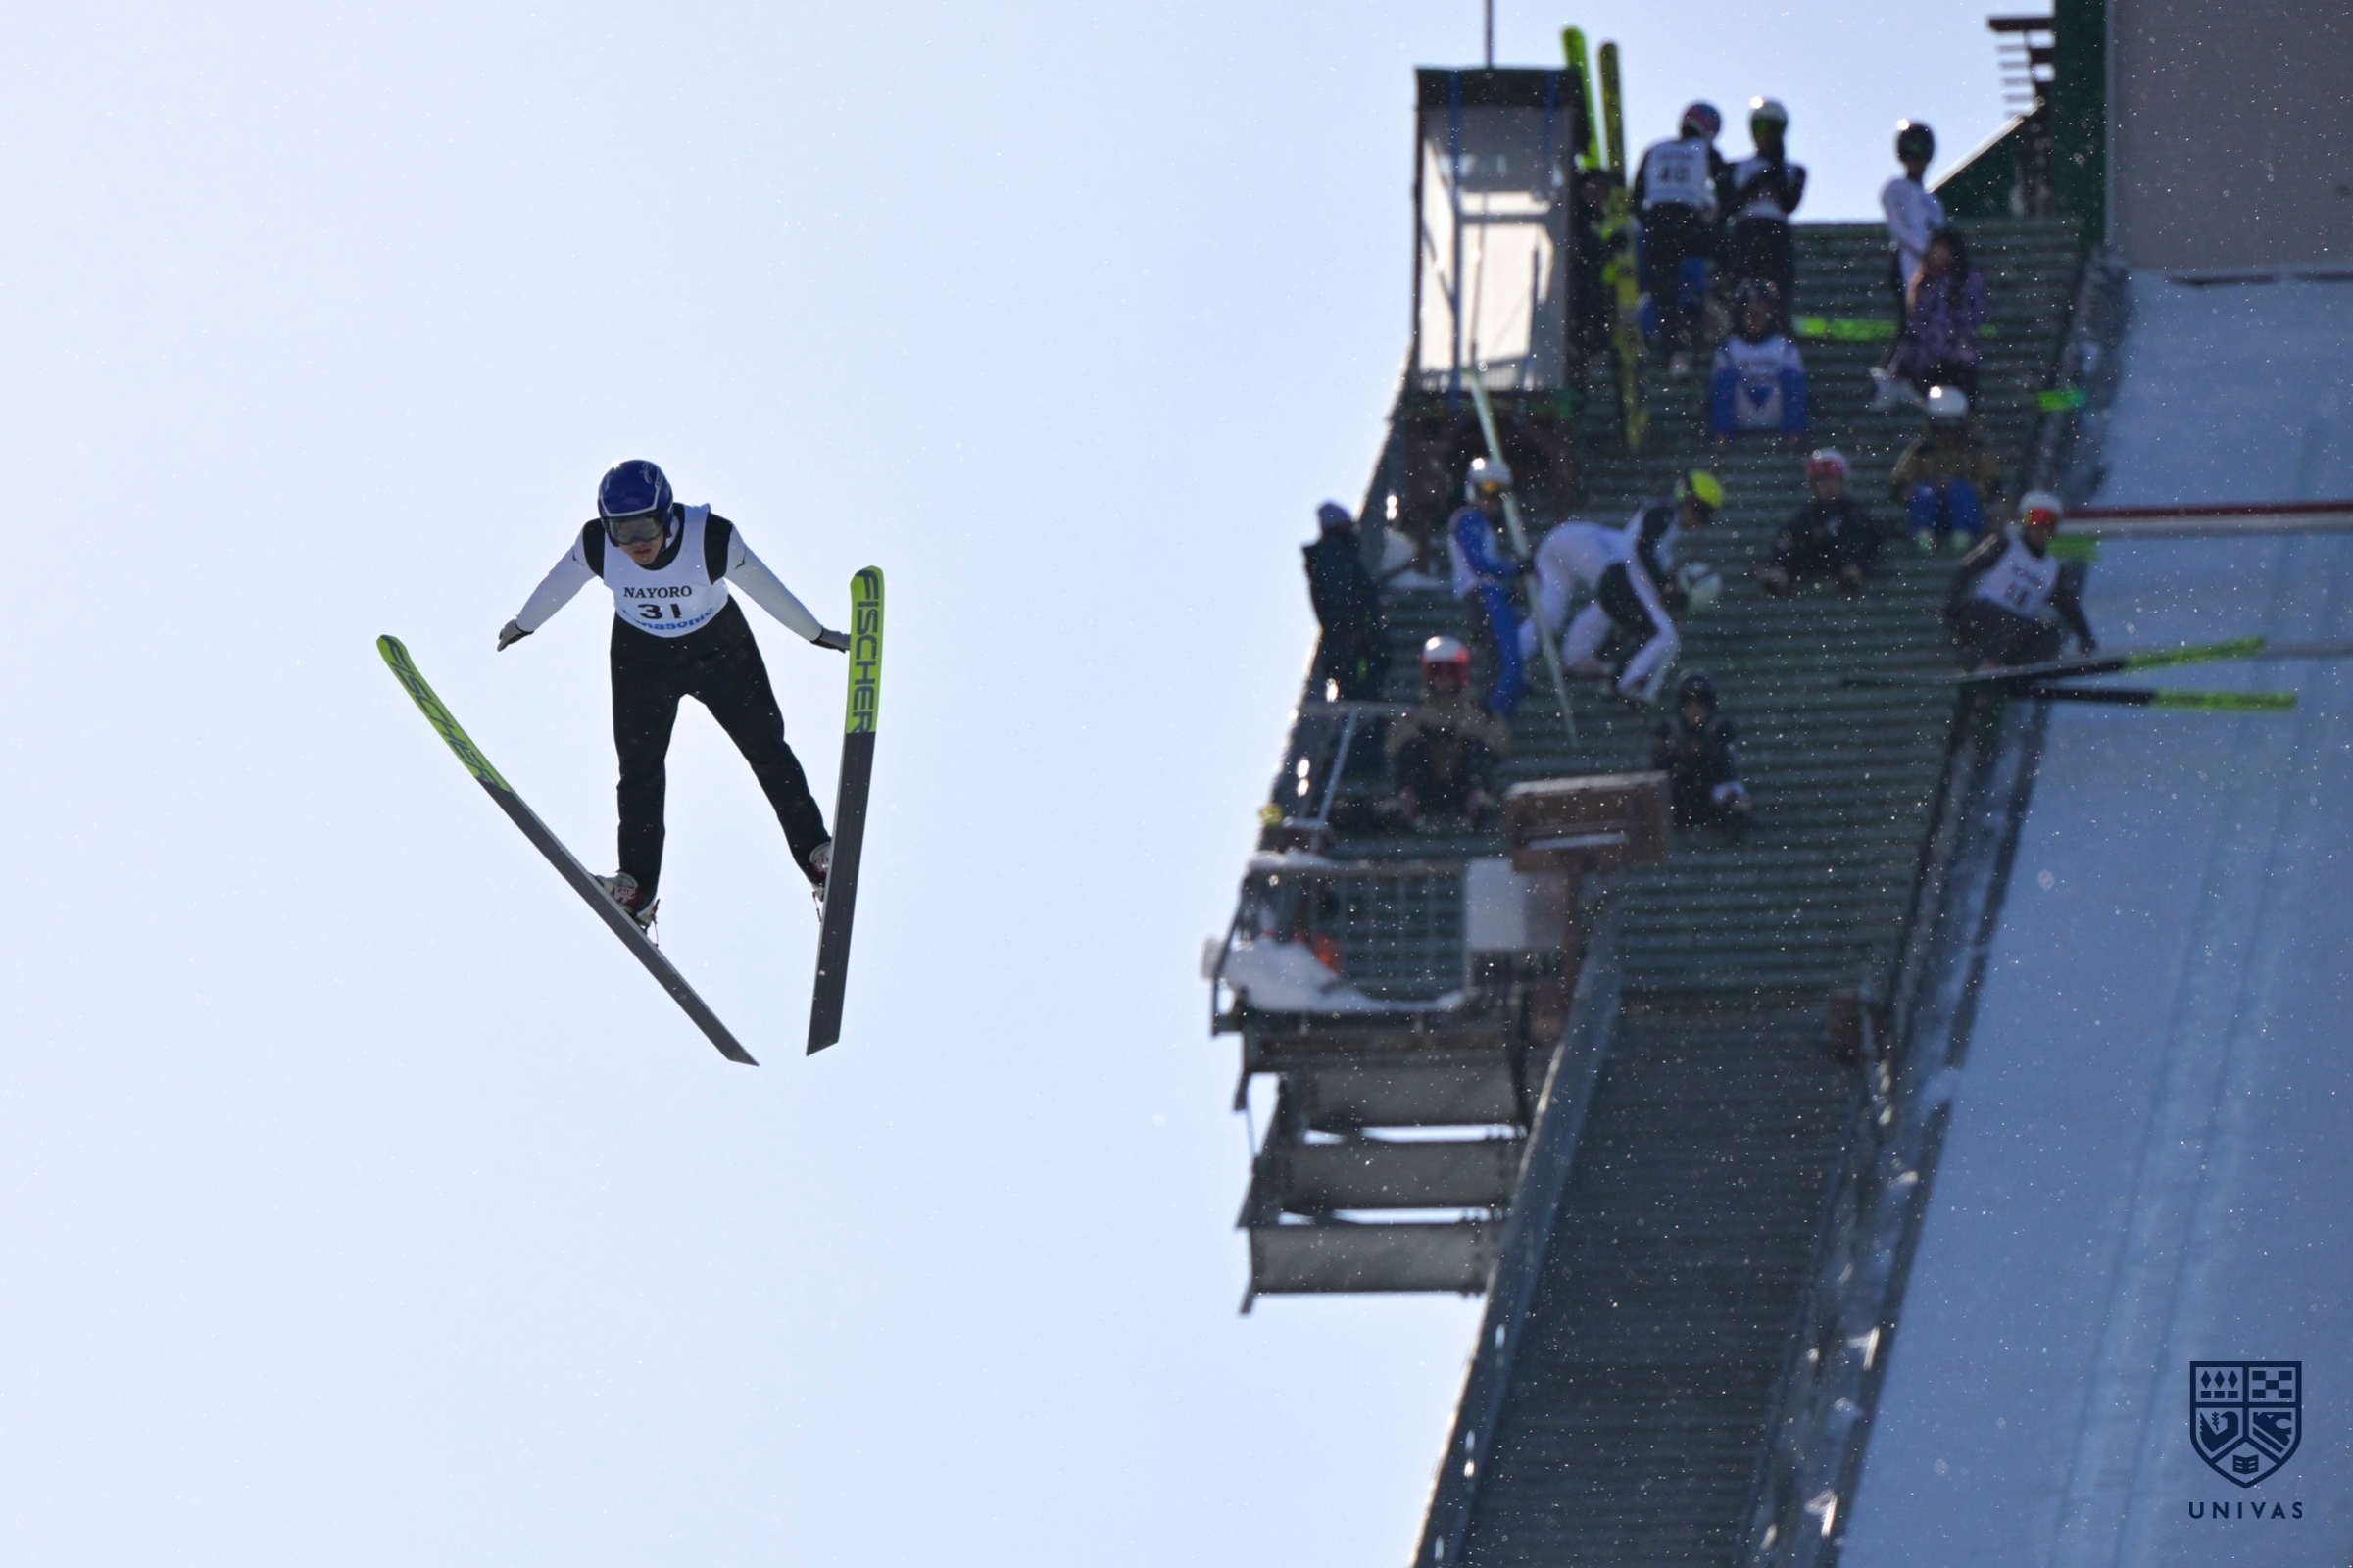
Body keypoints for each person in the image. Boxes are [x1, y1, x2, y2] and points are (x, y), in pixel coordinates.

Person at [497, 460, 850, 927]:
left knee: (766, 748)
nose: (635, 542)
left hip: (721, 650)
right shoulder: (597, 545)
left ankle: (817, 856)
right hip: (641, 659)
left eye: (645, 525)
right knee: (639, 771)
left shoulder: (712, 538)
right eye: (622, 530)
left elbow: (769, 591)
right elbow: (558, 584)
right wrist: (525, 624)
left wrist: (816, 634)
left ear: (666, 514)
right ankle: (636, 890)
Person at [1560, 470, 1725, 706]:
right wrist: (1663, 585)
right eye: (1700, 510)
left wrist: (1667, 583)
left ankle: (1605, 670)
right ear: (1684, 498)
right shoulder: (1665, 513)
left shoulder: (1668, 522)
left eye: (1707, 515)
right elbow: (1643, 549)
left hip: (1622, 579)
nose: (1700, 520)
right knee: (1664, 636)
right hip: (1626, 578)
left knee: (1653, 634)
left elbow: (1650, 553)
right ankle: (1624, 682)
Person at [1944, 491, 2096, 668]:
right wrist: (1951, 608)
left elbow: (2068, 606)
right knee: (2012, 625)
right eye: (2034, 520)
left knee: (2050, 633)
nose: (2040, 529)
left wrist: (2086, 637)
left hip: (2016, 631)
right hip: (1982, 616)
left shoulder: (2052, 569)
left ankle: (2013, 670)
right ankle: (1983, 663)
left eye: (2047, 523)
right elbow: (1965, 570)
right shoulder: (2005, 545)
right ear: (2025, 523)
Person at [1634, 101, 1730, 378]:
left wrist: (1650, 225)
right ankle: (1719, 292)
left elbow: (1636, 197)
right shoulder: (1705, 150)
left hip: (1657, 222)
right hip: (1688, 219)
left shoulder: (1654, 150)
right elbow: (1726, 190)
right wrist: (1715, 222)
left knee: (1664, 292)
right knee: (1728, 249)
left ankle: (1674, 353)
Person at [1386, 637, 1512, 827]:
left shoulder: (1480, 712)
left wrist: (1468, 735)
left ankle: (1477, 799)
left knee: (1475, 746)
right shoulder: (1413, 713)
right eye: (1437, 670)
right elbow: (1392, 749)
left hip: (1462, 783)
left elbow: (1503, 747)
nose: (1443, 678)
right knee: (1410, 748)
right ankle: (1407, 800)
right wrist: (1422, 735)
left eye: (1450, 671)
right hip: (1426, 784)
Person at [1446, 457, 1529, 717]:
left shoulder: (1478, 521)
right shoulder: (1468, 519)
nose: (1492, 500)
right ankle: (1489, 719)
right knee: (1508, 669)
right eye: (1487, 491)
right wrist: (1516, 569)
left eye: (1499, 493)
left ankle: (1495, 718)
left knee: (1505, 667)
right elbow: (1479, 564)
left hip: (1488, 595)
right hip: (1483, 597)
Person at [1891, 387, 2004, 553]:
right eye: (1941, 427)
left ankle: (1962, 536)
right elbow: (1901, 481)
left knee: (1961, 491)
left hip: (1968, 510)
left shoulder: (1975, 450)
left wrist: (1964, 488)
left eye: (1951, 427)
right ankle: (1924, 536)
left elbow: (1991, 482)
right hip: (1932, 511)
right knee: (1924, 492)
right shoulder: (1921, 450)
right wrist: (1929, 489)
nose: (1946, 433)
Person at [1723, 98, 1806, 322]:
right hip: (1746, 231)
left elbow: (1788, 205)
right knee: (1741, 289)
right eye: (1761, 127)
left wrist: (1776, 168)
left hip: (1776, 232)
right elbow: (1730, 205)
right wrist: (1764, 176)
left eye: (1773, 129)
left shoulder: (1794, 170)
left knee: (1780, 292)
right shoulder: (1736, 168)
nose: (1767, 135)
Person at [1302, 501, 1391, 701]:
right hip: (1354, 642)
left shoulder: (1334, 555)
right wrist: (1353, 628)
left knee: (1358, 686)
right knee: (1361, 688)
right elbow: (1340, 595)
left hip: (1350, 639)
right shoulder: (1334, 554)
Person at [1888, 228, 1988, 403]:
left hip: (1958, 361)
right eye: (1935, 248)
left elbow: (1975, 315)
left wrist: (1955, 339)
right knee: (1935, 409)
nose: (1937, 253)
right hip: (1930, 363)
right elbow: (1916, 327)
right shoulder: (1924, 282)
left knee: (1959, 408)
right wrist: (1902, 363)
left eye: (1942, 248)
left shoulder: (1968, 279)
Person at [1758, 449, 1878, 594]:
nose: (1827, 485)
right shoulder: (1808, 516)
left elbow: (1866, 540)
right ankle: (1780, 575)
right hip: (1813, 559)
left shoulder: (1855, 514)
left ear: (1842, 480)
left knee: (1857, 536)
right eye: (1820, 481)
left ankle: (1852, 573)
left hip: (1841, 556)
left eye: (1832, 479)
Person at [1651, 672, 1750, 838]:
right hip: (1680, 794)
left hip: (1711, 791)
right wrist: (1678, 753)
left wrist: (1704, 751)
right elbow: (1658, 764)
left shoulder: (1720, 729)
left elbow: (1726, 767)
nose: (1694, 710)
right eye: (1689, 705)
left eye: (1700, 704)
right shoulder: (1669, 730)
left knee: (1734, 797)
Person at [1707, 278, 1808, 442]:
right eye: (1749, 312)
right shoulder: (1728, 348)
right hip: (1740, 412)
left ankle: (1793, 437)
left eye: (1761, 311)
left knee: (1791, 376)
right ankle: (1721, 439)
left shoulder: (1784, 346)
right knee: (1725, 376)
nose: (1755, 317)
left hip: (1775, 410)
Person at [1881, 122, 1945, 323]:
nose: (1916, 162)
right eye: (1911, 155)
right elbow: (1898, 228)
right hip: (1906, 262)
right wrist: (1924, 250)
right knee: (1908, 321)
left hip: (1932, 269)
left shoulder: (1933, 203)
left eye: (1921, 155)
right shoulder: (1894, 189)